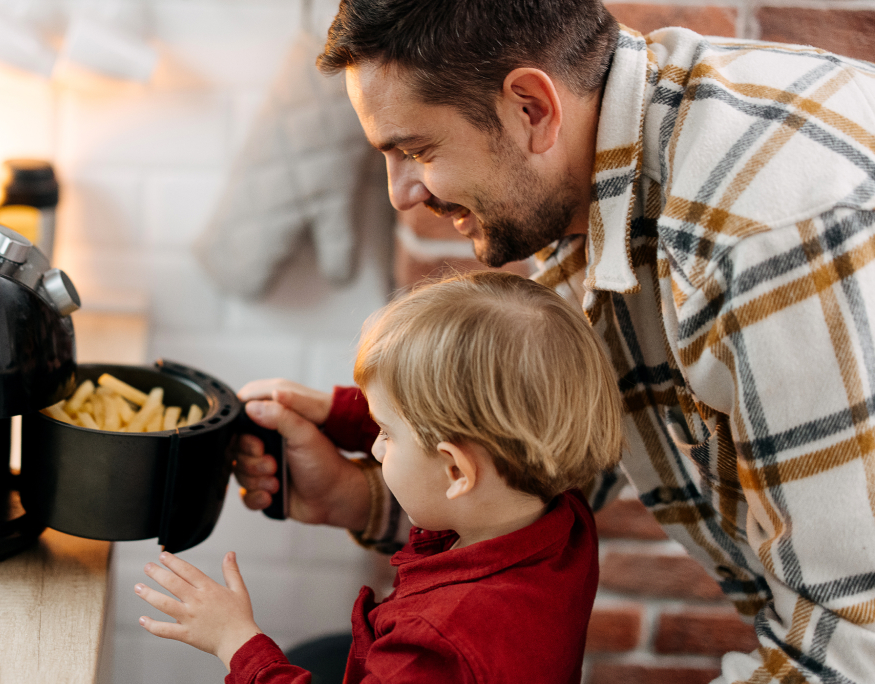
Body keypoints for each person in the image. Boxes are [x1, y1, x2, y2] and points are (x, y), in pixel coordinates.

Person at [234, 1, 875, 682]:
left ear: (532, 109)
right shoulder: (587, 171)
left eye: (417, 150)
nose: (401, 194)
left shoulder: (771, 242)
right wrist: (354, 496)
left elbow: (848, 652)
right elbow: (532, 466)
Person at [135, 272, 624, 682]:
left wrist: (236, 641)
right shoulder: (561, 513)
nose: (374, 445)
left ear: (455, 471)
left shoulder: (429, 649)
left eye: (386, 433)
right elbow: (466, 430)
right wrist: (335, 410)